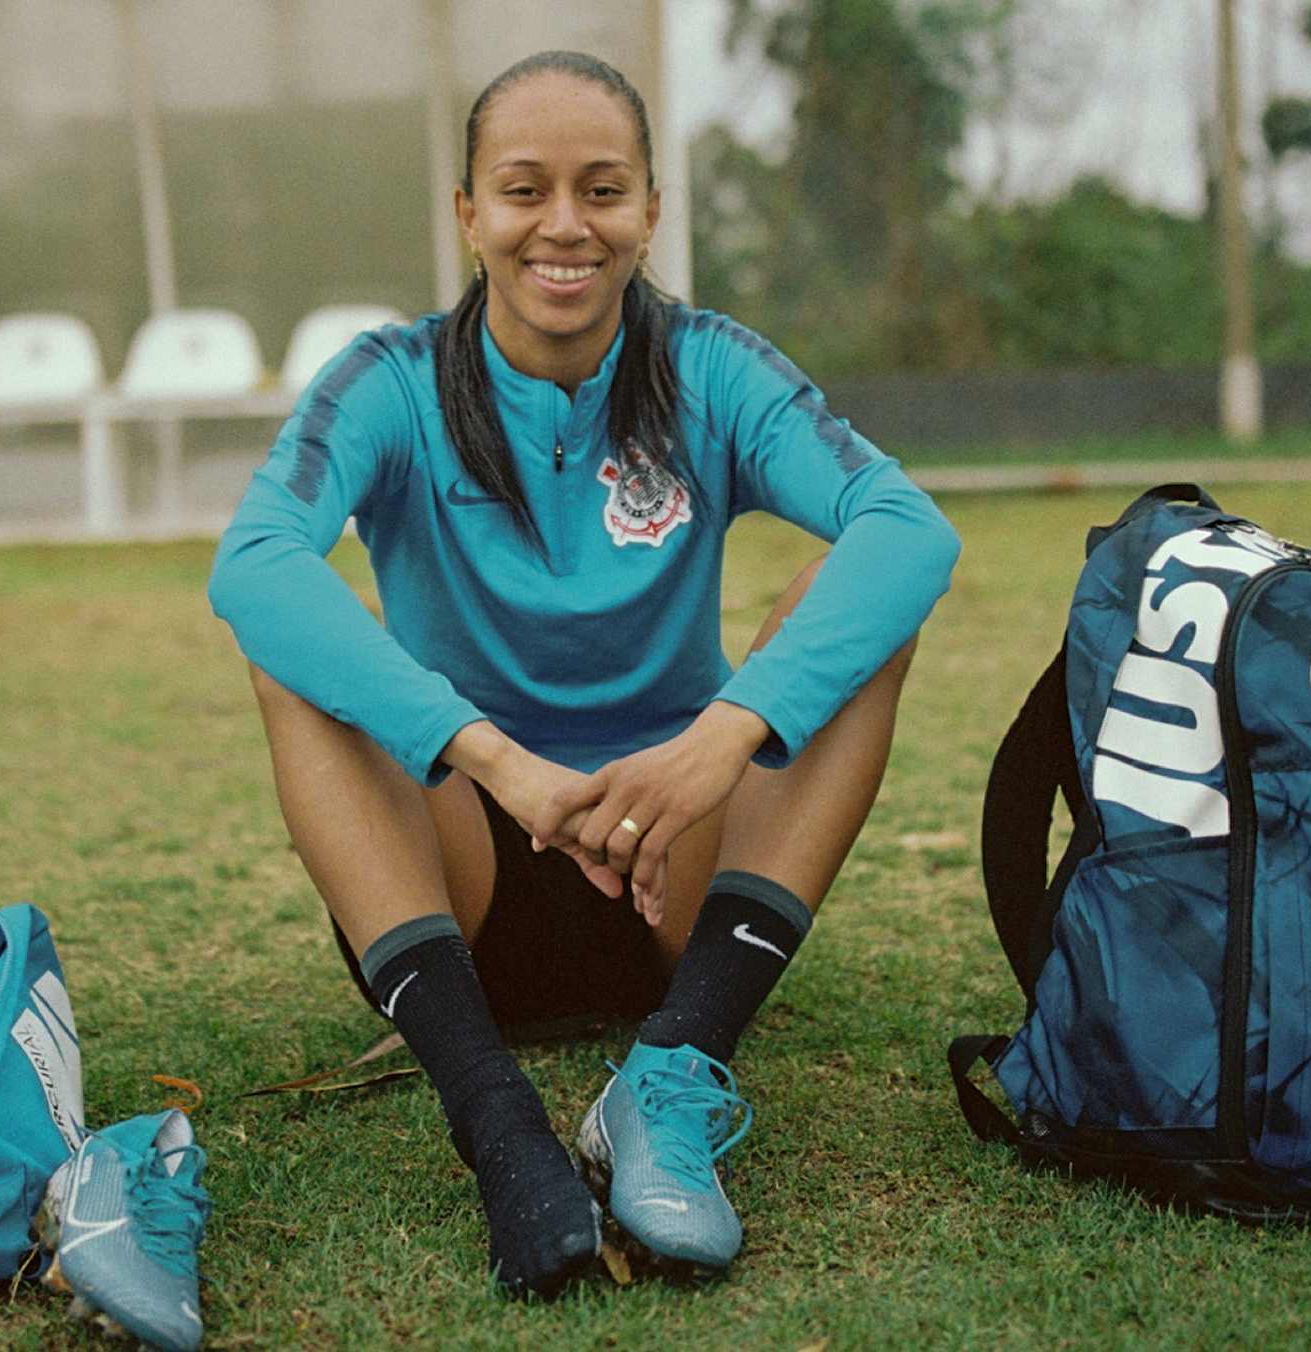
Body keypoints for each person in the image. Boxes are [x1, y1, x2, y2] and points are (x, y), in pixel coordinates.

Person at [208, 49, 961, 1298]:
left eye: (603, 189)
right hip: (462, 875)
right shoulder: (389, 380)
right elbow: (252, 565)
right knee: (293, 649)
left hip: (677, 868)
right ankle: (500, 1123)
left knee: (865, 601)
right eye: (523, 189)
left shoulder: (714, 367)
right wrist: (494, 757)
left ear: (652, 211)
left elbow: (909, 527)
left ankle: (674, 1071)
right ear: (467, 214)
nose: (564, 224)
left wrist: (721, 737)